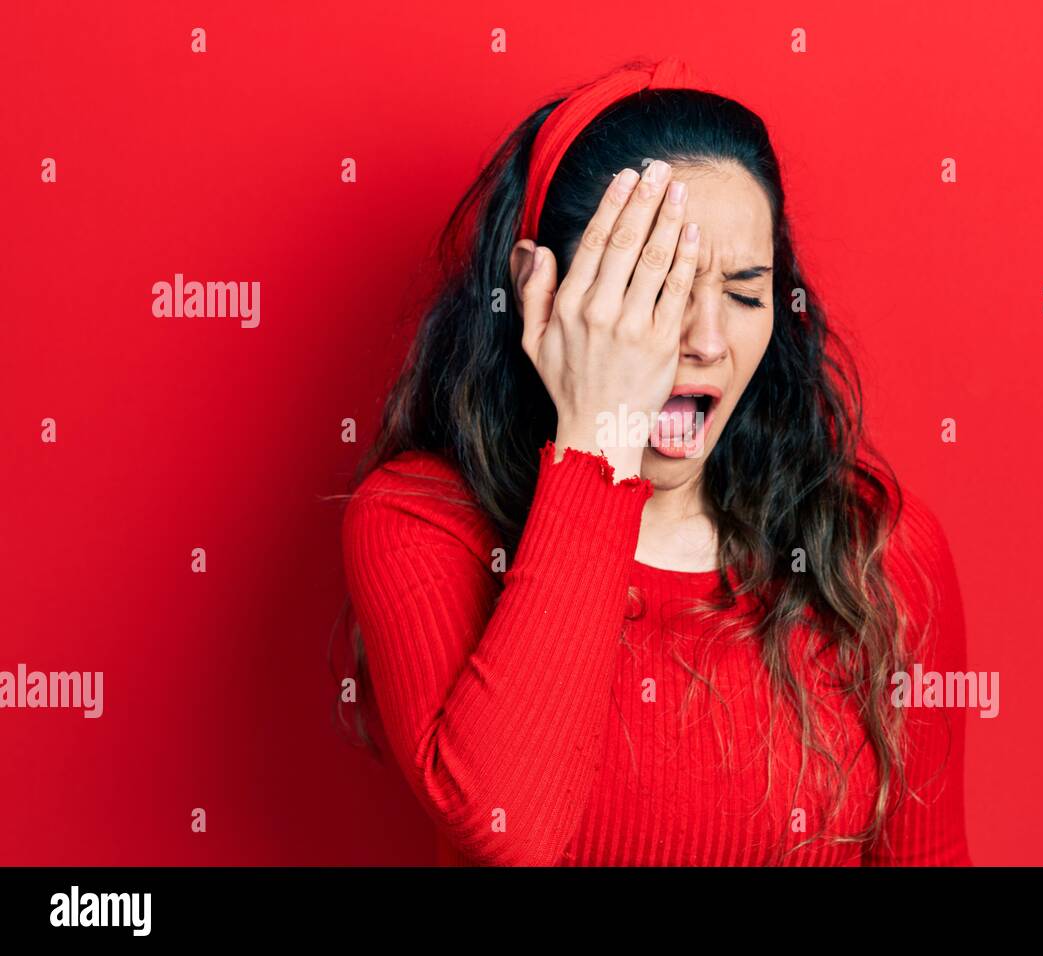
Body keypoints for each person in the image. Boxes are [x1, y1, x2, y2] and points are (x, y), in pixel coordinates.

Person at [338, 56, 973, 866]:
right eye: (655, 287)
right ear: (542, 291)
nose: (707, 341)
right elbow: (509, 829)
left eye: (746, 295)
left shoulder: (875, 548)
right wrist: (599, 439)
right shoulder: (422, 523)